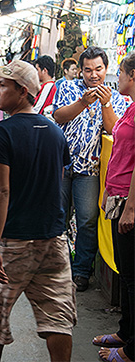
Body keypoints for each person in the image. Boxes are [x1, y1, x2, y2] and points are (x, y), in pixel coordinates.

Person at [0, 60, 76, 362]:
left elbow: (0, 191)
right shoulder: (55, 133)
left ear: (22, 91)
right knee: (58, 316)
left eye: (3, 85)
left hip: (14, 240)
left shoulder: (2, 132)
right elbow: (55, 183)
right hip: (53, 238)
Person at [52, 46, 132, 291]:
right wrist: (81, 103)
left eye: (98, 69)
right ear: (80, 70)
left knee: (87, 220)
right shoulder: (66, 87)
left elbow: (113, 131)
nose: (93, 75)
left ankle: (81, 272)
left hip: (90, 170)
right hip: (63, 165)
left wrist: (106, 104)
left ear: (105, 69)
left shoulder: (116, 97)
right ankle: (58, 269)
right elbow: (58, 116)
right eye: (88, 70)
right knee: (58, 218)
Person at [95, 52, 135, 362]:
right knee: (125, 272)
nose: (116, 78)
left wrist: (131, 208)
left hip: (128, 201)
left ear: (132, 75)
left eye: (119, 73)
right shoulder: (130, 107)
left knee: (133, 275)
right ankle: (125, 331)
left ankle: (132, 349)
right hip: (117, 195)